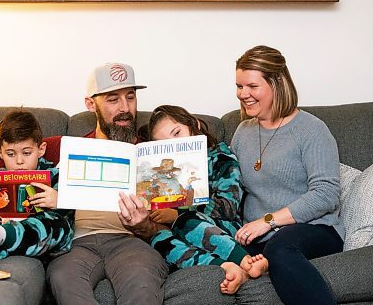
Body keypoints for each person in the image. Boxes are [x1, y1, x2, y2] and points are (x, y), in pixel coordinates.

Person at [46, 63, 168, 305]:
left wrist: (145, 224)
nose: (125, 108)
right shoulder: (63, 147)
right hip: (77, 244)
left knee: (142, 286)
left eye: (130, 97)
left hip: (131, 242)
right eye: (113, 99)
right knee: (63, 278)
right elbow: (13, 162)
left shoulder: (152, 154)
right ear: (91, 104)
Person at [231, 45, 344, 305]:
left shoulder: (311, 129)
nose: (243, 94)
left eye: (252, 86)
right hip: (259, 237)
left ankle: (269, 262)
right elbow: (233, 189)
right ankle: (260, 265)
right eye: (239, 86)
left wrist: (268, 221)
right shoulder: (242, 132)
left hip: (314, 228)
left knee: (280, 249)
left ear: (277, 84)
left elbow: (326, 194)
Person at [120, 105, 268, 294]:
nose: (174, 145)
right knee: (159, 239)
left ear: (194, 125)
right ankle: (225, 266)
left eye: (177, 133)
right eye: (165, 144)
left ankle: (244, 260)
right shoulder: (168, 173)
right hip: (179, 232)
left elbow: (227, 208)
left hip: (222, 228)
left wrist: (176, 214)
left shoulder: (221, 158)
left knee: (185, 220)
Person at [0, 109, 74, 265]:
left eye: (27, 153)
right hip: (4, 226)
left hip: (43, 239)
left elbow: (74, 210)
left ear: (41, 150)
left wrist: (60, 200)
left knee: (60, 225)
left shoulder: (54, 175)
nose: (19, 161)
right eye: (11, 154)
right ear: (0, 153)